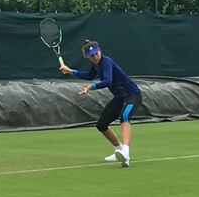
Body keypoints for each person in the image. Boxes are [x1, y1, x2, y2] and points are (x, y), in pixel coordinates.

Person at [58, 39, 142, 167]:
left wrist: (91, 87)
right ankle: (118, 149)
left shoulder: (106, 61)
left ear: (100, 51)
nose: (95, 56)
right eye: (92, 55)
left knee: (124, 116)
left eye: (96, 53)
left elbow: (108, 81)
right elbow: (89, 76)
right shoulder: (96, 65)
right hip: (120, 97)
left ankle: (125, 151)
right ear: (87, 57)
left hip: (132, 94)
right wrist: (71, 71)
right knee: (101, 125)